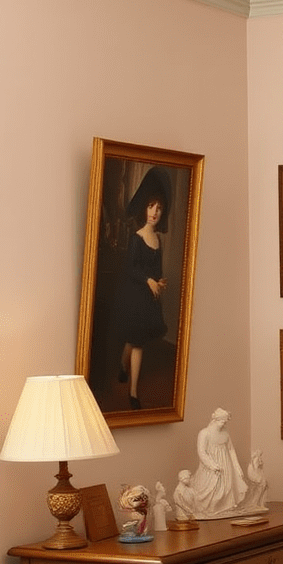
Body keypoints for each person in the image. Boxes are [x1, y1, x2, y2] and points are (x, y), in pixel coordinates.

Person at [117, 166, 171, 410]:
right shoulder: (136, 237)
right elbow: (130, 268)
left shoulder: (157, 239)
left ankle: (121, 366)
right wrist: (147, 281)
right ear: (145, 209)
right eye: (151, 207)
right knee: (136, 342)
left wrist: (158, 281)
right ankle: (133, 391)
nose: (155, 213)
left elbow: (156, 269)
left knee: (134, 340)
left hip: (150, 296)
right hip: (135, 293)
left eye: (159, 208)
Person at [190, 408, 248, 519]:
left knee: (227, 486)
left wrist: (237, 466)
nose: (224, 424)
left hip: (225, 463)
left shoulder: (225, 433)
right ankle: (210, 508)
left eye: (225, 422)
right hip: (211, 466)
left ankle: (225, 507)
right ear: (215, 420)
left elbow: (231, 450)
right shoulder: (204, 433)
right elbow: (201, 452)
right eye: (222, 421)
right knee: (212, 487)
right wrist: (211, 465)